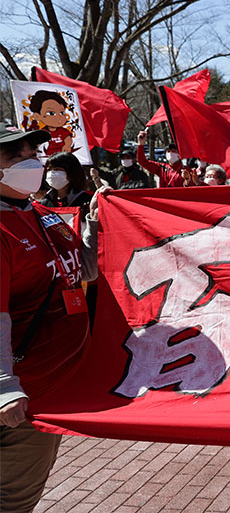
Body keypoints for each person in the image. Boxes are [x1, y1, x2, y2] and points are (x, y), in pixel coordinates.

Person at [0, 126, 102, 512]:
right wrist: (5, 386)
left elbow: (84, 271)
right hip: (16, 393)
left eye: (32, 154)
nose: (32, 162)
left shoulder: (46, 215)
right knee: (12, 501)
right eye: (15, 156)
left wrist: (94, 222)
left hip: (43, 387)